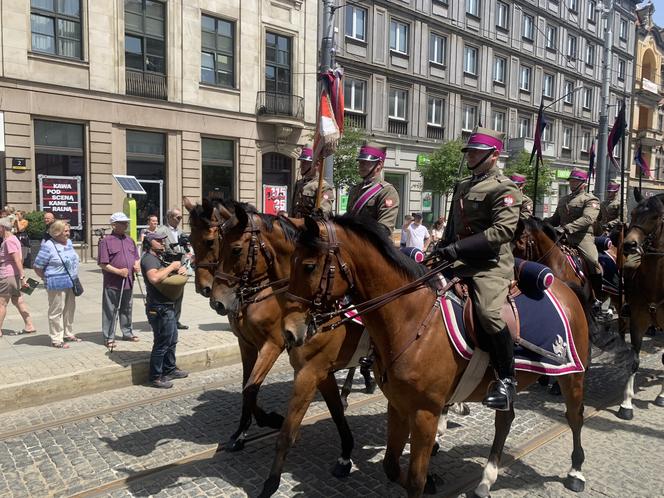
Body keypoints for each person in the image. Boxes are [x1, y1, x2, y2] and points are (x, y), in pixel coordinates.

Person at [436, 127, 522, 411]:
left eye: (476, 152)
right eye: (469, 151)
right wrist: (440, 249)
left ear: (494, 155)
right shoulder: (462, 185)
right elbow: (453, 226)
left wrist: (457, 250)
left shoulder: (505, 187)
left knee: (488, 312)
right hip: (458, 260)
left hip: (490, 265)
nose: (470, 155)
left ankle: (507, 381)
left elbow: (502, 231)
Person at [544, 168, 603, 309]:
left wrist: (567, 228)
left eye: (575, 180)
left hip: (582, 238)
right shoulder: (564, 199)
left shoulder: (591, 199)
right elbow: (555, 219)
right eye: (571, 180)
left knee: (593, 262)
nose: (571, 183)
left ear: (583, 183)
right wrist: (542, 223)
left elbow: (588, 218)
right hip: (562, 237)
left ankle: (596, 296)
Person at [141, 230, 189, 388]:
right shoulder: (148, 259)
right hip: (158, 307)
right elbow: (154, 278)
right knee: (162, 342)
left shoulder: (157, 257)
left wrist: (179, 269)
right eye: (158, 241)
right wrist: (173, 267)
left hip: (167, 305)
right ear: (150, 243)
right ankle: (155, 377)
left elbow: (164, 274)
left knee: (172, 339)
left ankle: (169, 369)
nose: (162, 243)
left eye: (163, 240)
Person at [33, 220, 82, 348]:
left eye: (68, 230)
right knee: (56, 311)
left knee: (69, 309)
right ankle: (56, 339)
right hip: (55, 282)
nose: (68, 233)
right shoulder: (48, 245)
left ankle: (68, 333)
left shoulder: (69, 243)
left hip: (71, 281)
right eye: (65, 231)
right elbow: (37, 266)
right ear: (57, 232)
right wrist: (46, 278)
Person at [98, 212, 141, 349]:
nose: (126, 225)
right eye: (122, 223)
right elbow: (102, 263)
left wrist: (137, 264)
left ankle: (127, 332)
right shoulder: (106, 241)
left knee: (127, 308)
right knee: (110, 310)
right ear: (114, 225)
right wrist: (118, 271)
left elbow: (136, 257)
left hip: (129, 280)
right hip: (113, 282)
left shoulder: (130, 240)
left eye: (126, 222)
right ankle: (109, 336)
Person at [347, 141, 400, 236]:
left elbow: (384, 228)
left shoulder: (387, 192)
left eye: (366, 162)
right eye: (360, 162)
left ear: (379, 164)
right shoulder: (355, 190)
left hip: (376, 246)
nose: (361, 166)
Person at [0, 218, 36, 337]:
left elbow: (17, 259)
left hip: (7, 276)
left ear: (3, 228)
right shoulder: (13, 238)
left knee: (2, 303)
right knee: (18, 300)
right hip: (13, 276)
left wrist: (22, 276)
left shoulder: (9, 241)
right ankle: (29, 325)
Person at [160, 208, 190, 330]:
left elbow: (187, 253)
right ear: (169, 217)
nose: (180, 220)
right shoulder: (161, 231)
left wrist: (185, 266)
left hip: (180, 269)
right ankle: (165, 320)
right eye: (177, 217)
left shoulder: (181, 232)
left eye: (181, 217)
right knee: (167, 296)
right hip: (167, 268)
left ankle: (176, 320)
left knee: (179, 296)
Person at [289, 146, 335, 218]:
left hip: (311, 225)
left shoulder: (323, 186)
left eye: (305, 163)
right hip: (295, 225)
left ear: (316, 165)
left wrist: (317, 214)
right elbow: (292, 208)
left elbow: (324, 211)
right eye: (301, 162)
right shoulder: (299, 183)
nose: (301, 165)